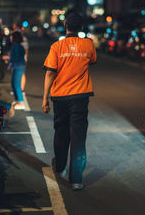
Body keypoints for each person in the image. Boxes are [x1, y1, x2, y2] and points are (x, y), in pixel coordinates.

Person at [42, 12, 97, 190]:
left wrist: (45, 99)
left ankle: (59, 167)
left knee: (61, 131)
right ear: (81, 28)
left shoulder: (56, 47)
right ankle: (76, 180)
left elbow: (50, 72)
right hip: (80, 97)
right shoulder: (88, 44)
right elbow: (92, 60)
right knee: (78, 137)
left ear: (65, 26)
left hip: (60, 96)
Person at [3, 31, 26, 109]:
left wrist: (8, 59)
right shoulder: (19, 46)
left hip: (18, 67)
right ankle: (17, 101)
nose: (10, 38)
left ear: (15, 38)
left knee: (16, 84)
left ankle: (21, 102)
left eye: (11, 37)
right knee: (14, 84)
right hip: (19, 66)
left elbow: (15, 58)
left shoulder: (15, 46)